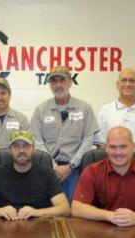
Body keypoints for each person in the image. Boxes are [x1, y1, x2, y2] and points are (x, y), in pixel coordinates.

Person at [31, 66, 99, 203]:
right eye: (54, 82)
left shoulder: (84, 108)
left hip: (75, 172)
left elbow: (88, 140)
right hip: (48, 172)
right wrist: (55, 167)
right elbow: (36, 140)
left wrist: (70, 166)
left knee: (74, 212)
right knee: (48, 213)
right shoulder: (41, 110)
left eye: (62, 80)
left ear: (70, 82)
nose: (58, 85)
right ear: (50, 85)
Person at [72, 126, 135, 227]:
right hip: (101, 231)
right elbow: (77, 208)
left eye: (123, 147)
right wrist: (110, 216)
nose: (118, 152)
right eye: (112, 147)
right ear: (106, 148)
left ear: (133, 147)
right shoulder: (92, 171)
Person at [0, 130, 70, 220]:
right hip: (3, 228)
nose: (21, 150)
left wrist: (37, 212)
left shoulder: (47, 174)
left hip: (38, 228)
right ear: (10, 150)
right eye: (16, 146)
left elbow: (65, 209)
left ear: (33, 149)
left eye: (26, 146)